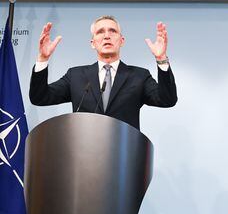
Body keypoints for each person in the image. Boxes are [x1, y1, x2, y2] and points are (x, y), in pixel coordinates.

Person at [29, 15, 177, 130]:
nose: (107, 36)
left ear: (122, 41)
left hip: (124, 157)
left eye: (112, 31)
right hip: (83, 157)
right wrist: (43, 59)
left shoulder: (139, 76)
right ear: (93, 43)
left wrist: (161, 59)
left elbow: (167, 100)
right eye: (100, 32)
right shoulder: (75, 76)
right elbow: (40, 97)